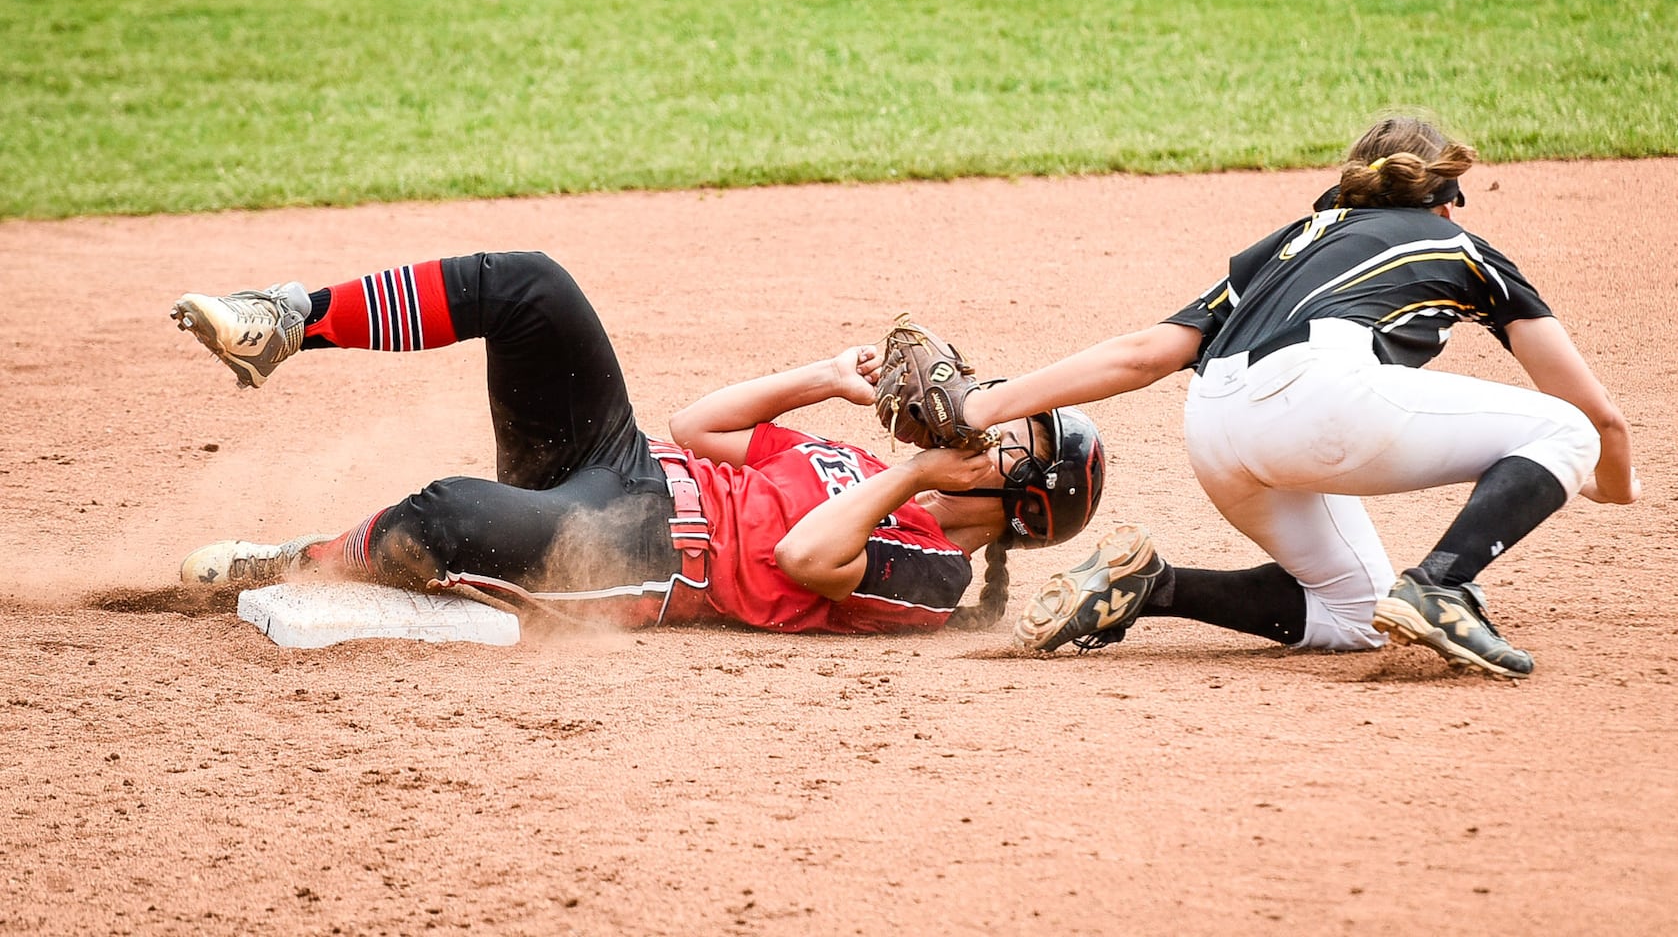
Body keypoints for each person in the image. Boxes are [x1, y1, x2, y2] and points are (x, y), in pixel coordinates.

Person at [960, 114, 1638, 677]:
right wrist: (1607, 481)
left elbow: (1147, 355)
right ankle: (1441, 586)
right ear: (1446, 198)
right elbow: (1595, 415)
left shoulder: (1290, 244)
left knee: (1357, 615)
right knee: (1563, 430)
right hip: (1319, 401)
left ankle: (1153, 584)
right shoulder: (1461, 246)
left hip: (1215, 430)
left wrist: (986, 403)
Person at [168, 250, 1106, 635]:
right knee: (533, 287)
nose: (985, 427)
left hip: (628, 551)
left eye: (1011, 446)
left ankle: (291, 562)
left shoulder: (935, 579)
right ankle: (291, 321)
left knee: (445, 511)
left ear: (1023, 509)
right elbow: (700, 428)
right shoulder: (863, 469)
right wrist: (823, 376)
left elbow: (803, 554)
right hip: (619, 461)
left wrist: (911, 472)